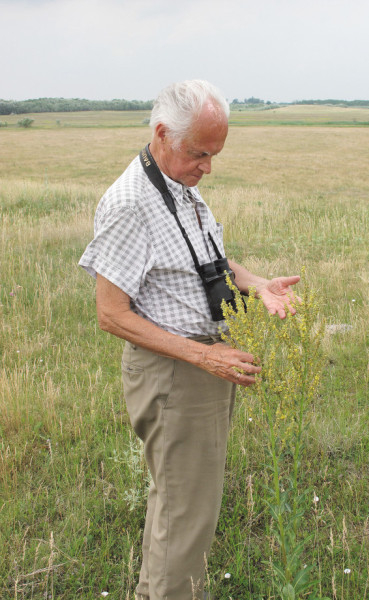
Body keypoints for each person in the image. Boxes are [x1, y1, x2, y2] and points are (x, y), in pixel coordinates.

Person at [79, 79, 300, 600]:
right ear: (163, 134)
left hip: (201, 366)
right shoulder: (131, 203)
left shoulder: (178, 186)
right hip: (176, 374)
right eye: (200, 153)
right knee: (185, 515)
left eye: (214, 154)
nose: (208, 167)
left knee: (184, 507)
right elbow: (111, 315)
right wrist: (205, 356)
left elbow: (207, 262)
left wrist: (258, 284)